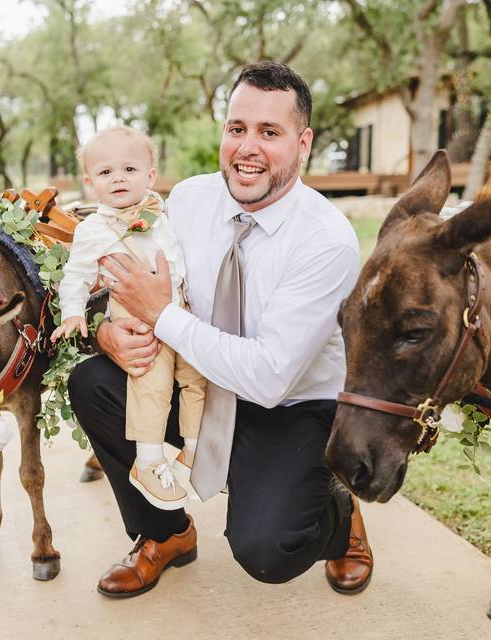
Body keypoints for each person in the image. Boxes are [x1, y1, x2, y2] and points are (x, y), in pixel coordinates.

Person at [68, 61, 373, 598]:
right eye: (237, 129)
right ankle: (164, 534)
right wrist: (104, 332)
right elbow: (119, 272)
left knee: (268, 551)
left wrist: (163, 316)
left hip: (290, 406)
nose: (247, 148)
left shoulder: (327, 241)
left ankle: (339, 516)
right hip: (200, 380)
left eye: (269, 132)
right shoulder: (187, 199)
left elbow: (269, 378)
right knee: (92, 381)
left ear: (303, 144)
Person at [51, 126, 206, 510]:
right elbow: (76, 275)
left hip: (180, 311)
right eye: (105, 173)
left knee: (198, 377)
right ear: (90, 183)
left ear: (150, 175)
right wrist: (73, 313)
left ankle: (196, 450)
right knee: (151, 384)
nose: (118, 178)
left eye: (129, 169)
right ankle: (150, 461)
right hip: (136, 317)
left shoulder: (166, 213)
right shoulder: (93, 230)